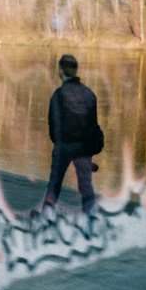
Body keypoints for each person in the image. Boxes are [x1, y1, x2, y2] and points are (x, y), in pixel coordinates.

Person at [43, 54, 99, 225]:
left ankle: (47, 216)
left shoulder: (58, 95)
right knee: (86, 185)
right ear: (75, 71)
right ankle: (90, 218)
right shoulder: (89, 94)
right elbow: (93, 125)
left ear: (61, 71)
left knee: (55, 183)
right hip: (84, 148)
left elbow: (52, 124)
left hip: (63, 146)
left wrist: (58, 142)